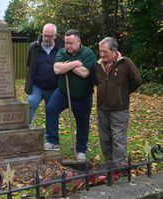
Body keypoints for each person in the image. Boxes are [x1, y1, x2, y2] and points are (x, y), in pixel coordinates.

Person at [44, 29, 96, 161]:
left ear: (79, 42)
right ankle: (53, 141)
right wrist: (76, 63)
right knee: (51, 109)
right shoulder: (62, 52)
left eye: (71, 43)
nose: (67, 46)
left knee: (83, 122)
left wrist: (66, 65)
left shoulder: (88, 53)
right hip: (63, 92)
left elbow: (85, 73)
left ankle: (81, 151)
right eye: (66, 43)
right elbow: (57, 69)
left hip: (83, 95)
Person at [95, 37, 142, 167]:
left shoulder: (126, 63)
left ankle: (119, 165)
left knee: (118, 138)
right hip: (102, 108)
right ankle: (109, 163)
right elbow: (97, 82)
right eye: (100, 51)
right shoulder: (98, 65)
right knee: (104, 138)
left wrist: (123, 93)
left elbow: (137, 81)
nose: (102, 54)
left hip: (119, 109)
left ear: (114, 51)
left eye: (105, 52)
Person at [24, 23, 63, 125]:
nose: (46, 38)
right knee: (30, 103)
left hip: (54, 87)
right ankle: (25, 128)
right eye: (45, 35)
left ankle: (51, 138)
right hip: (37, 86)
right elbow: (29, 63)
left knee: (52, 110)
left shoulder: (61, 48)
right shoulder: (34, 47)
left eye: (49, 36)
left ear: (55, 36)